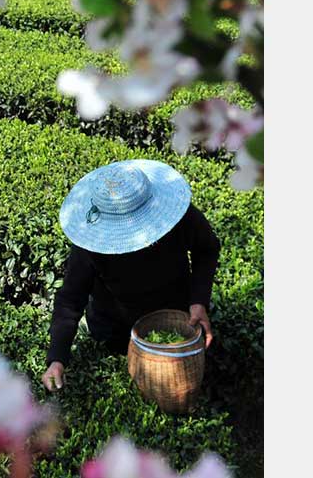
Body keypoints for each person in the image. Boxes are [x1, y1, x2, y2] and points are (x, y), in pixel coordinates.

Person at [41, 159, 220, 392]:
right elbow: (70, 299)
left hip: (178, 315)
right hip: (116, 331)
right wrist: (57, 358)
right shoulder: (92, 243)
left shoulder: (178, 217)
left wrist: (198, 302)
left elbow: (207, 249)